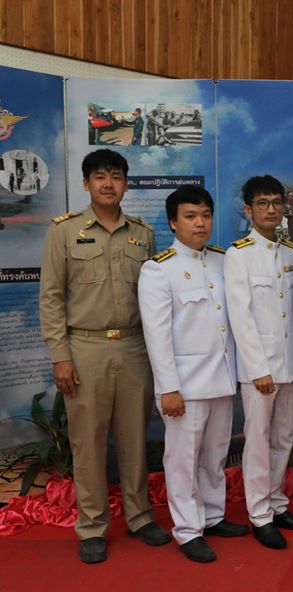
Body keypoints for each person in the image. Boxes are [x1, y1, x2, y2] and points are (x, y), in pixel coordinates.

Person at [39, 149, 170, 564]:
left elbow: (154, 299)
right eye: (99, 176)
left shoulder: (142, 233)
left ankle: (139, 516)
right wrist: (60, 356)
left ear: (126, 184)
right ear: (86, 183)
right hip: (85, 349)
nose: (108, 183)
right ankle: (93, 525)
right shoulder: (64, 231)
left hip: (134, 348)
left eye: (115, 176)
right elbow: (51, 297)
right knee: (88, 444)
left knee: (134, 438)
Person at [139, 186, 247, 563]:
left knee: (215, 455)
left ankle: (213, 515)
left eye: (205, 215)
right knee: (183, 461)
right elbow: (157, 335)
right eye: (190, 216)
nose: (200, 223)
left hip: (222, 378)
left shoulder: (222, 260)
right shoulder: (158, 269)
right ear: (173, 222)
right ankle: (187, 530)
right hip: (184, 385)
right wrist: (168, 388)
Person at [225, 175, 293, 550]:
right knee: (258, 442)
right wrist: (257, 369)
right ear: (248, 209)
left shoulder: (292, 253)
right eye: (262, 203)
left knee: (283, 438)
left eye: (276, 203)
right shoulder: (238, 254)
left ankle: (278, 504)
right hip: (259, 370)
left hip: (288, 363)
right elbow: (240, 316)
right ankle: (260, 514)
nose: (271, 209)